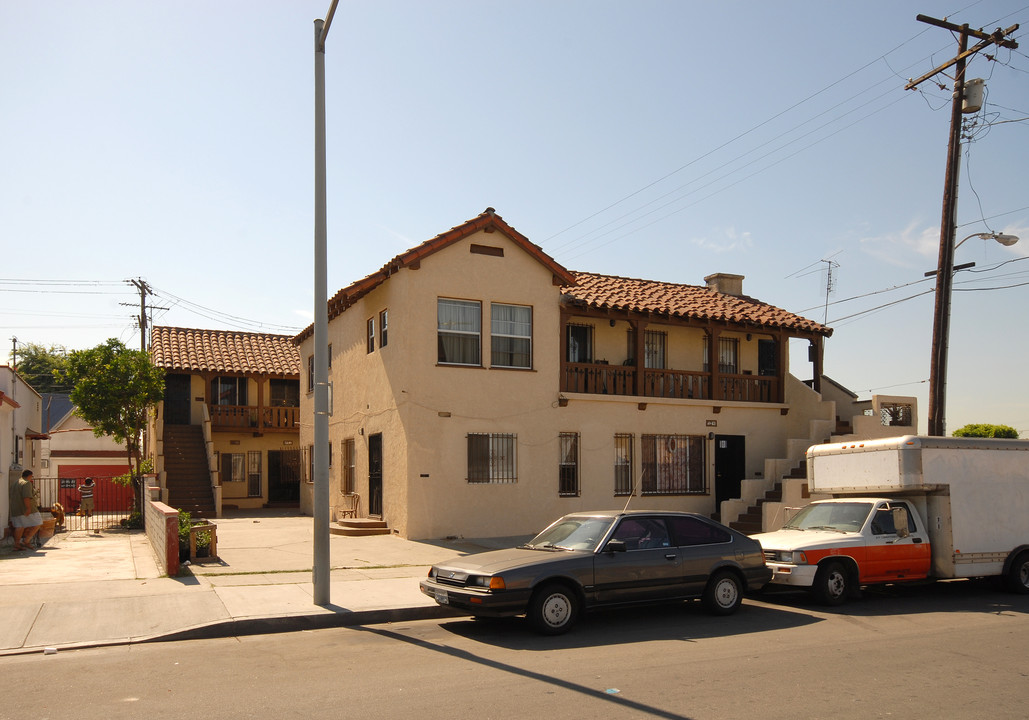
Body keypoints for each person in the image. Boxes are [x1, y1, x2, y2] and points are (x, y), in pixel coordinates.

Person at [10, 469, 42, 551]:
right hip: (27, 508)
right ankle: (26, 541)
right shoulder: (26, 483)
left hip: (15, 508)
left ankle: (17, 544)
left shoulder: (15, 483)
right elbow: (26, 496)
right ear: (30, 476)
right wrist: (28, 508)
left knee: (19, 526)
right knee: (38, 522)